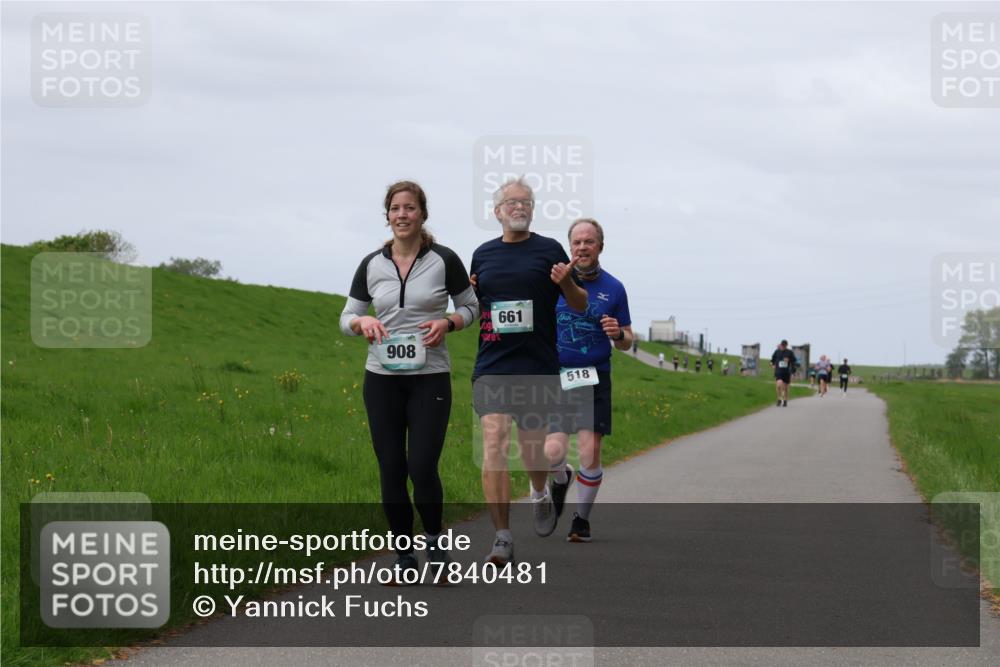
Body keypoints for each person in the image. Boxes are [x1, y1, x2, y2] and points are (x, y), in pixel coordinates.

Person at [340, 180, 479, 581]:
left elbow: (471, 307)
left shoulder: (444, 260)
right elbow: (347, 317)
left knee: (421, 466)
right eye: (395, 208)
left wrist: (447, 322)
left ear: (422, 214)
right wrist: (362, 322)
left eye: (410, 208)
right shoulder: (371, 264)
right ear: (387, 215)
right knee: (391, 468)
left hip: (429, 378)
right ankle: (403, 555)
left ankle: (434, 544)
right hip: (381, 379)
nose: (402, 215)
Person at [470, 177, 587, 566]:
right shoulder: (482, 255)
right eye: (512, 202)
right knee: (494, 441)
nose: (519, 207)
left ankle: (541, 490)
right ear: (497, 211)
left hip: (536, 365)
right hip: (493, 364)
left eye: (526, 202)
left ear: (533, 211)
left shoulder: (549, 250)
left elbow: (580, 303)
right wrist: (468, 294)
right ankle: (502, 537)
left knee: (532, 450)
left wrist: (566, 283)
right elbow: (476, 304)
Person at [549, 218, 633, 542]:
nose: (582, 247)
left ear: (600, 246)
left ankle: (580, 520)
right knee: (552, 453)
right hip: (558, 375)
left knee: (589, 451)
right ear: (569, 246)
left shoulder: (615, 288)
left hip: (595, 375)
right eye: (577, 242)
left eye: (589, 242)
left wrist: (618, 334)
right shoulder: (554, 281)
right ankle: (561, 478)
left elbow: (627, 340)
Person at [770, 339, 796, 407]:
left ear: (786, 345)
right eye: (782, 345)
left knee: (786, 388)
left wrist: (793, 372)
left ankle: (785, 400)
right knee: (779, 385)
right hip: (778, 371)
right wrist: (772, 365)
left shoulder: (790, 352)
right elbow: (772, 360)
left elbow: (794, 362)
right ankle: (779, 399)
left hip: (786, 372)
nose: (783, 347)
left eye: (784, 346)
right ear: (781, 345)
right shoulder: (777, 351)